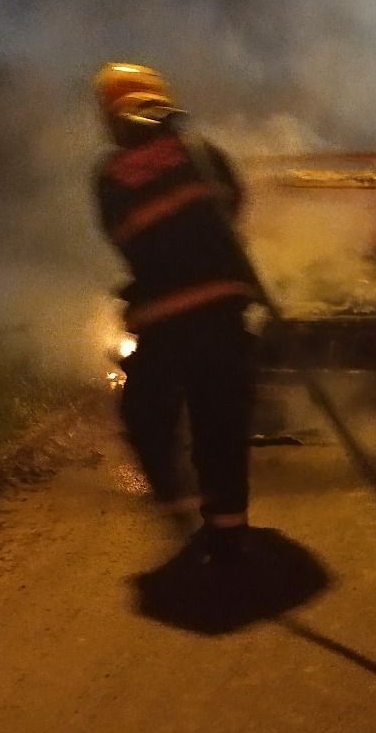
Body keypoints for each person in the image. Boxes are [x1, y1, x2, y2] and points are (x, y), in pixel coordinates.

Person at [93, 62, 259, 563]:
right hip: (225, 315)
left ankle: (180, 513)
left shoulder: (111, 175)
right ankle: (228, 537)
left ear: (116, 119)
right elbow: (231, 210)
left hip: (165, 320)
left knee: (146, 418)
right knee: (221, 427)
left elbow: (127, 238)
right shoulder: (206, 155)